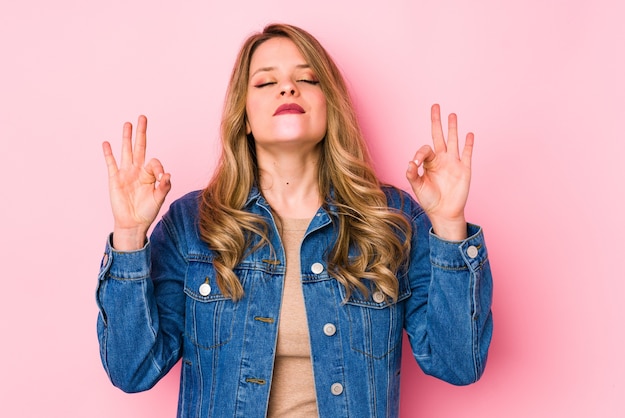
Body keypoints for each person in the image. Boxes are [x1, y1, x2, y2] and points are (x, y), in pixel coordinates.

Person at [96, 23, 493, 418]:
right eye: (266, 83)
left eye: (307, 78)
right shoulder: (193, 223)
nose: (288, 88)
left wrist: (449, 226)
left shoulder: (391, 218)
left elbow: (457, 364)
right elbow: (133, 370)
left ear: (329, 107)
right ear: (245, 118)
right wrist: (130, 236)